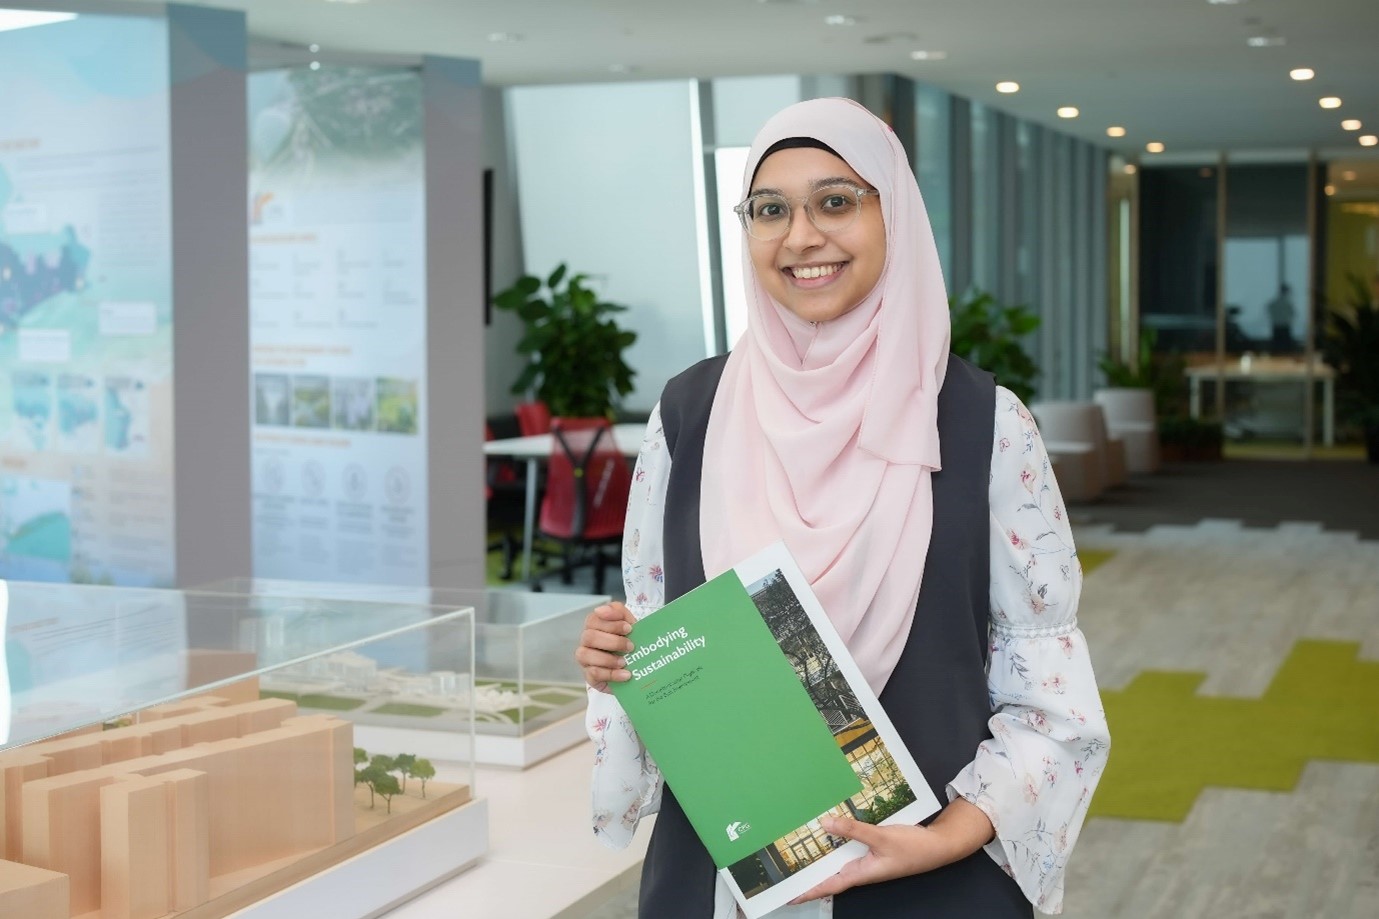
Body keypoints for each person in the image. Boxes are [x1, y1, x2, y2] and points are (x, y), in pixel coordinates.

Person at [575, 98, 1109, 918]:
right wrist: (620, 660)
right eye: (770, 209)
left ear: (891, 214)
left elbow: (1050, 695)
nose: (801, 236)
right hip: (720, 881)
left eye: (835, 200)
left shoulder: (980, 424)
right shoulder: (688, 415)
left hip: (927, 882)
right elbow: (660, 632)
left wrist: (947, 836)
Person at [1267, 283, 1295, 352]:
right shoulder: (1287, 304)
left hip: (1278, 326)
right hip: (1283, 327)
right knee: (1283, 348)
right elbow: (1292, 314)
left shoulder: (1275, 303)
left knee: (1278, 347)